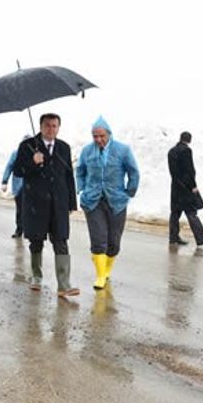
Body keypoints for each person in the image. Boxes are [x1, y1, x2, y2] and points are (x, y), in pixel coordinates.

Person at [13, 114, 80, 297]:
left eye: (55, 126)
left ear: (59, 127)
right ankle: (36, 276)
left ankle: (64, 284)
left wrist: (71, 202)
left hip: (58, 202)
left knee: (61, 240)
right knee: (36, 240)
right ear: (41, 127)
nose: (51, 129)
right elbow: (18, 170)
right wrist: (33, 162)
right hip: (36, 201)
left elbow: (68, 175)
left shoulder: (64, 147)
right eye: (47, 126)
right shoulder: (28, 146)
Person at [76, 116, 140, 290]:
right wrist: (80, 188)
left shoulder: (123, 150)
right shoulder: (87, 151)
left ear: (109, 134)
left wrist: (129, 191)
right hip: (92, 200)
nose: (98, 140)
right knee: (99, 239)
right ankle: (99, 276)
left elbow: (134, 172)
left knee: (114, 242)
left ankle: (106, 268)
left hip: (116, 201)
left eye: (101, 136)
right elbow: (80, 170)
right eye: (95, 136)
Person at [168, 131, 203, 246]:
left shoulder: (171, 151)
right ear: (189, 140)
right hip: (186, 188)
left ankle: (173, 237)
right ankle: (201, 238)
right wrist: (193, 185)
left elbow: (173, 171)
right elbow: (189, 170)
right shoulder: (186, 151)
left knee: (175, 213)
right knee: (191, 213)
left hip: (175, 187)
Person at [2, 134, 32, 238]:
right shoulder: (16, 154)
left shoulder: (36, 154)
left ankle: (29, 229)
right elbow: (9, 166)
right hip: (19, 187)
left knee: (31, 209)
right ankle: (19, 229)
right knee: (20, 209)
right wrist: (4, 181)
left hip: (32, 187)